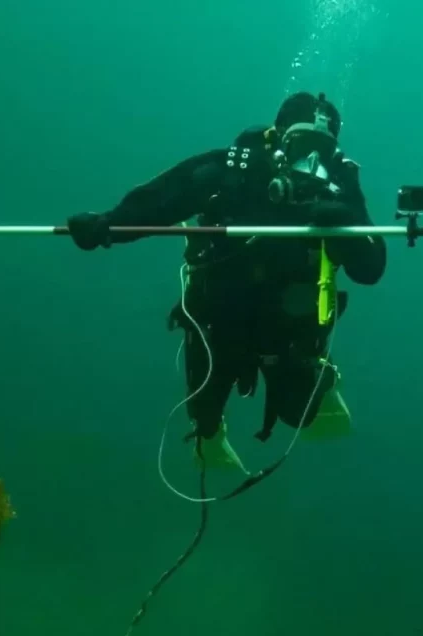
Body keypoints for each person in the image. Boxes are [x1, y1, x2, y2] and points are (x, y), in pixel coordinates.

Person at [67, 92, 387, 472]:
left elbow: (371, 268)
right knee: (203, 409)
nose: (311, 158)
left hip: (290, 327)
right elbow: (166, 197)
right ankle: (209, 436)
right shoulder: (233, 169)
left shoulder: (338, 186)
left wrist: (343, 226)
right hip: (219, 315)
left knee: (301, 412)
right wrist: (108, 225)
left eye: (323, 147)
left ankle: (325, 376)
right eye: (302, 143)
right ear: (276, 135)